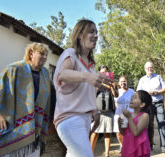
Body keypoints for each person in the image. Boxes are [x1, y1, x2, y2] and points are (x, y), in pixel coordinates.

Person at [53, 19, 109, 157]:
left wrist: (94, 111)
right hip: (70, 118)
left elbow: (84, 94)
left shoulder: (91, 64)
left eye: (96, 32)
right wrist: (86, 76)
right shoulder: (71, 53)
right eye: (91, 31)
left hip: (84, 120)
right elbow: (62, 74)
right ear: (79, 35)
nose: (96, 35)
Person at [0, 42, 51, 157]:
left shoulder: (45, 74)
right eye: (42, 54)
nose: (45, 57)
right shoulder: (14, 69)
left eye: (46, 55)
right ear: (31, 53)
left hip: (35, 130)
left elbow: (52, 97)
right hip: (13, 128)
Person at [137, 61, 165, 152]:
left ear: (153, 68)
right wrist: (147, 93)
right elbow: (138, 92)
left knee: (161, 124)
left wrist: (157, 92)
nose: (150, 69)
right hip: (148, 105)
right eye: (148, 68)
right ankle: (149, 145)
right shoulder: (142, 79)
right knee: (149, 126)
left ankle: (164, 147)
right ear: (145, 69)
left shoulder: (158, 77)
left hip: (158, 103)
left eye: (151, 67)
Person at [90, 65, 118, 157]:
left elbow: (116, 95)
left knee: (107, 133)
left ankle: (107, 154)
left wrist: (111, 86)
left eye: (105, 72)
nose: (104, 74)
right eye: (102, 72)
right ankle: (90, 153)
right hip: (97, 112)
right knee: (94, 133)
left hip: (108, 111)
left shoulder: (111, 83)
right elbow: (91, 94)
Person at [119, 90, 152, 157]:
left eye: (135, 97)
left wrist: (129, 118)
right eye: (132, 96)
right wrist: (119, 124)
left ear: (142, 104)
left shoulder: (144, 116)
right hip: (128, 146)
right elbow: (123, 132)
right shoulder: (129, 114)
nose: (131, 98)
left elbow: (136, 132)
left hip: (139, 149)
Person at [113, 75, 135, 151]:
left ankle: (128, 146)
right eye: (121, 81)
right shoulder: (117, 92)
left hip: (129, 114)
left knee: (128, 132)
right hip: (118, 114)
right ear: (118, 83)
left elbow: (135, 102)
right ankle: (122, 145)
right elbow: (114, 102)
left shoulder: (132, 91)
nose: (123, 83)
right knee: (118, 132)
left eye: (124, 81)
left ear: (127, 82)